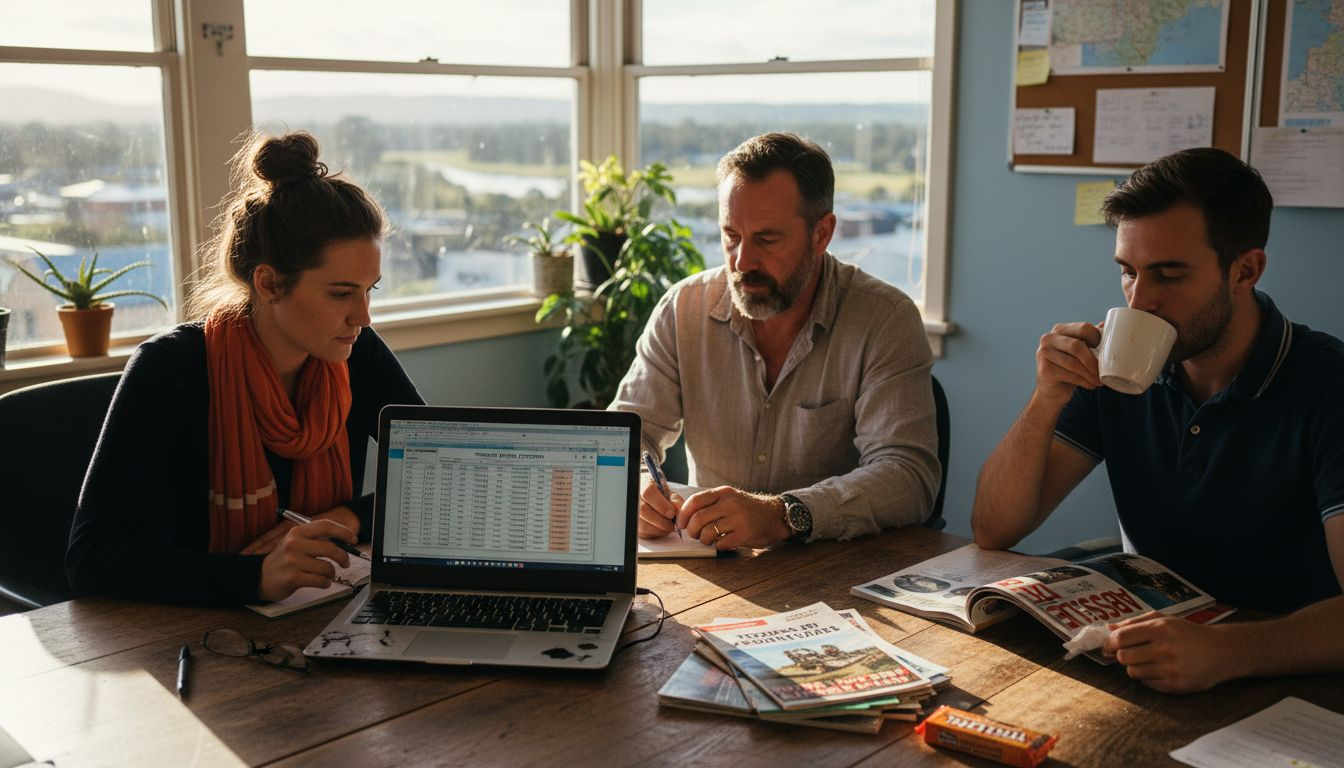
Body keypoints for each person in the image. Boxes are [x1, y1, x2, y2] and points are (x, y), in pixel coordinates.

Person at [971, 147, 1344, 693]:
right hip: (1152, 656)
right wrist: (1045, 399)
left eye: (1168, 275)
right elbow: (995, 527)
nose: (1139, 300)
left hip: (1287, 671)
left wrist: (1228, 651)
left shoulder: (1327, 386)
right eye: (1128, 272)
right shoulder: (1118, 370)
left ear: (1245, 270)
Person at [67, 131, 424, 605]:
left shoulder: (357, 350)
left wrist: (350, 517)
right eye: (341, 294)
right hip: (193, 632)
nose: (363, 317)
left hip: (318, 609)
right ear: (270, 284)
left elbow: (441, 478)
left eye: (369, 290)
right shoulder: (171, 368)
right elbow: (93, 557)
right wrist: (255, 577)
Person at [609, 132, 940, 550]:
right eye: (731, 235)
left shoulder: (884, 319)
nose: (742, 261)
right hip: (715, 568)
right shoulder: (683, 309)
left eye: (766, 239)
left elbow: (908, 476)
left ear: (822, 234)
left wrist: (784, 515)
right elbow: (625, 438)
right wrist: (638, 484)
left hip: (835, 571)